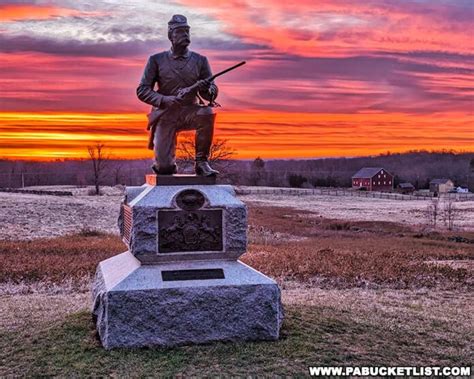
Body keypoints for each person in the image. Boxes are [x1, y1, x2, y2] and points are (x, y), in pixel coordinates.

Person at [136, 14, 219, 176]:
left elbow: (210, 93)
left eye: (187, 31)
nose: (185, 35)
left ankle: (201, 163)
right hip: (166, 114)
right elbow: (142, 90)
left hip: (190, 111)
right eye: (180, 32)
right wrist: (164, 100)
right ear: (171, 36)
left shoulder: (200, 60)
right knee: (164, 168)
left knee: (206, 112)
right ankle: (166, 164)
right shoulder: (156, 60)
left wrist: (209, 90)